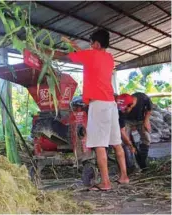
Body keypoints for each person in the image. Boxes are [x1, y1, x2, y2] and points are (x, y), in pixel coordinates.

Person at [56, 29, 130, 191]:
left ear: (96, 44)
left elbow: (65, 56)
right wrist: (71, 43)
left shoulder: (90, 55)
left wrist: (44, 52)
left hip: (99, 105)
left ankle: (105, 182)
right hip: (111, 104)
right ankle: (124, 176)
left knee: (99, 145)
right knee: (116, 142)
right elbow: (83, 54)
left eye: (91, 43)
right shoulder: (109, 58)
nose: (90, 46)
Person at [116, 93, 153, 171]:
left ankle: (142, 161)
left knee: (146, 138)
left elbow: (149, 110)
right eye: (121, 109)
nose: (123, 111)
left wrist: (146, 121)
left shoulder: (143, 98)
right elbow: (122, 131)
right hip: (127, 121)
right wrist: (130, 145)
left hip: (140, 119)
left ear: (131, 105)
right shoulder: (121, 111)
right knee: (124, 142)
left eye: (125, 109)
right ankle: (131, 165)